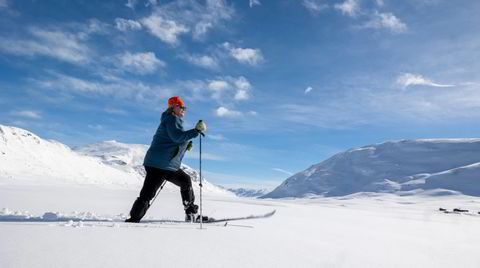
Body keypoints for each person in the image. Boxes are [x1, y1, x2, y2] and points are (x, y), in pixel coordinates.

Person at [125, 96, 207, 223]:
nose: (184, 110)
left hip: (168, 165)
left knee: (185, 181)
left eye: (184, 107)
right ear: (173, 107)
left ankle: (191, 214)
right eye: (181, 107)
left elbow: (172, 141)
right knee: (148, 193)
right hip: (159, 165)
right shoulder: (171, 119)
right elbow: (177, 137)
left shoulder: (172, 120)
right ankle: (133, 219)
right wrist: (196, 131)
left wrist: (185, 145)